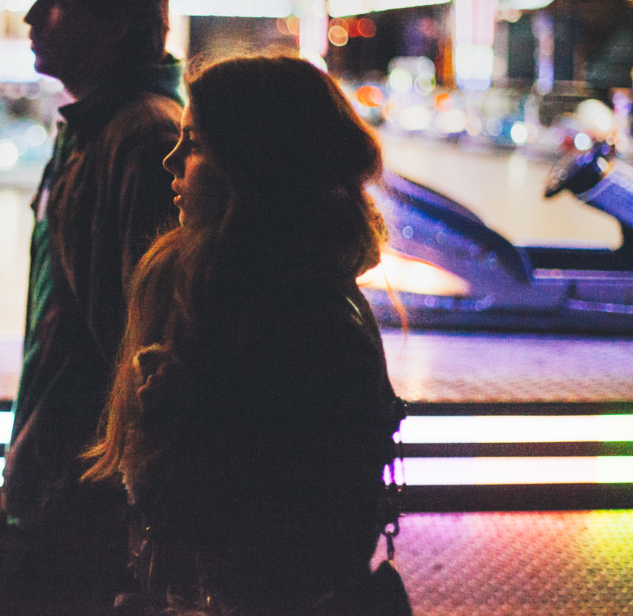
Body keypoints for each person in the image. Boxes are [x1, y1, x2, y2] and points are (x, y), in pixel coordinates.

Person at [84, 55, 407, 615]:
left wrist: (193, 415)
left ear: (257, 163)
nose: (171, 162)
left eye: (195, 144)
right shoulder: (192, 291)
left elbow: (285, 538)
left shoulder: (316, 331)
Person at [0, 0, 185, 615]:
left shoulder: (146, 142)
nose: (33, 18)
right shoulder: (98, 131)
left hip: (87, 499)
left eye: (56, 1)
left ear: (115, 23)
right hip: (61, 483)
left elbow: (141, 340)